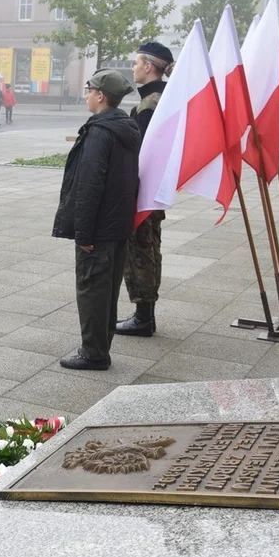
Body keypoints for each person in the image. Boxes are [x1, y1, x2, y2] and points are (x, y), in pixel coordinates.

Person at [53, 70, 141, 372]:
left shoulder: (100, 132)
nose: (87, 93)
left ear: (101, 96)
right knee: (107, 290)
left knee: (92, 289)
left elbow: (89, 186)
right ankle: (101, 345)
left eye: (89, 89)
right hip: (117, 225)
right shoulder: (124, 126)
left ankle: (93, 353)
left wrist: (84, 233)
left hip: (99, 228)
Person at [117, 41, 173, 338]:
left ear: (149, 66)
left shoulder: (150, 105)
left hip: (143, 189)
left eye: (136, 63)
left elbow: (137, 152)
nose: (133, 68)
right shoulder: (159, 100)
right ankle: (143, 315)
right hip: (153, 188)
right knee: (149, 248)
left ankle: (143, 317)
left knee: (141, 250)